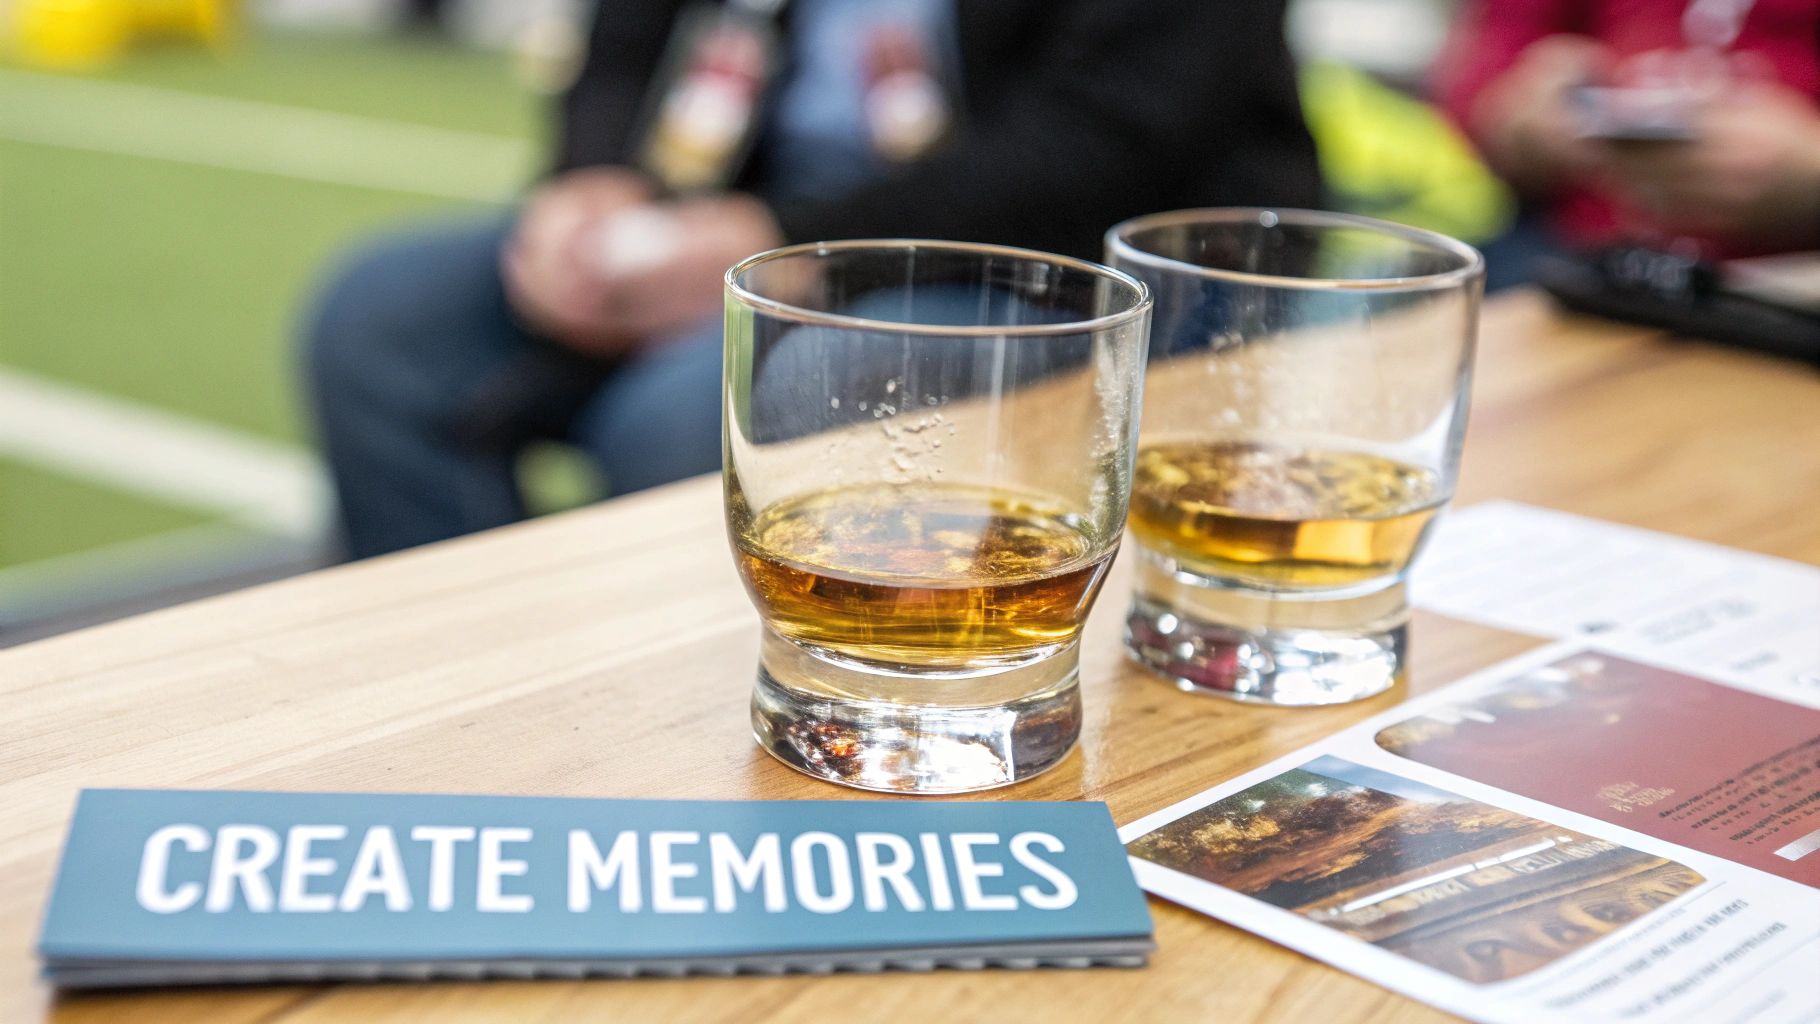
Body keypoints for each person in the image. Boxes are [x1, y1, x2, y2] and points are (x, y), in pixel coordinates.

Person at [305, 0, 1321, 560]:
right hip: (748, 211)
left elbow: (1100, 146)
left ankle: (716, 766)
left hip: (1055, 265)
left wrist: (779, 240)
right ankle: (480, 714)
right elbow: (625, 38)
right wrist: (591, 180)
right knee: (381, 322)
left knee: (720, 410)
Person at [1436, 0, 1820, 272]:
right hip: (1576, 258)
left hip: (1788, 278)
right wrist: (1519, 116)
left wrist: (1810, 171)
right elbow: (1478, 87)